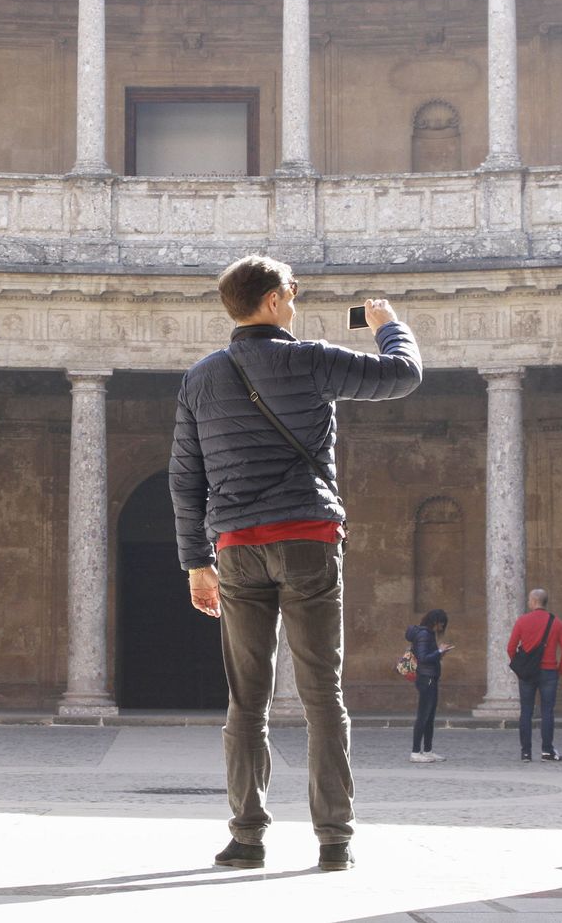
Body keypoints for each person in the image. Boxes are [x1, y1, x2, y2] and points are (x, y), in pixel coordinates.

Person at [170, 254, 422, 873]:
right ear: (278, 298)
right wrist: (388, 321)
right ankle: (334, 839)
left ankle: (246, 837)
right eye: (292, 293)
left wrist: (196, 564)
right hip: (307, 537)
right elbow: (403, 375)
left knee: (245, 701)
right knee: (321, 695)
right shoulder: (308, 358)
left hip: (235, 549)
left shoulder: (201, 377)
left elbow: (186, 478)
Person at [505, 588, 562, 762]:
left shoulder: (522, 621)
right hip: (549, 672)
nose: (528, 603)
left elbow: (510, 647)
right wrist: (559, 670)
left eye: (529, 600)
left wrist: (521, 667)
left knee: (526, 711)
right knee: (547, 712)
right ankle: (547, 751)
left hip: (528, 673)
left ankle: (525, 752)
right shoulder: (556, 622)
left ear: (534, 602)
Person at [405, 609, 452, 762]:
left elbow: (426, 656)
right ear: (435, 622)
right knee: (423, 715)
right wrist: (439, 651)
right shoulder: (424, 634)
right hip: (426, 678)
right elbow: (424, 657)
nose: (442, 627)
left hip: (430, 677)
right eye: (441, 623)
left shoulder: (426, 634)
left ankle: (427, 750)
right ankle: (415, 752)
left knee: (429, 716)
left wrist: (439, 653)